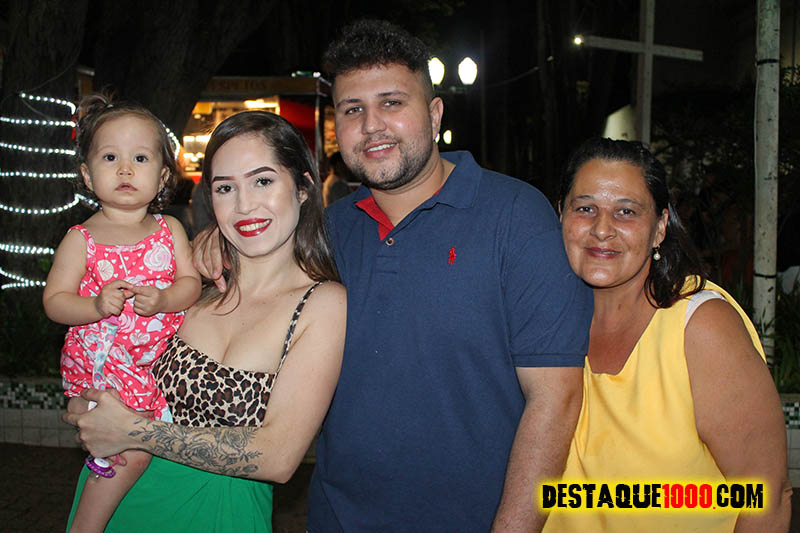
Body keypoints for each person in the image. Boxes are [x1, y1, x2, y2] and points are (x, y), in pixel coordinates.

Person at [188, 20, 592, 530]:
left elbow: (556, 400)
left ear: (435, 113)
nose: (371, 125)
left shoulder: (514, 216)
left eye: (392, 103)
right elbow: (252, 272)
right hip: (337, 519)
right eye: (352, 109)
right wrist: (216, 241)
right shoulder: (324, 233)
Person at [62, 110, 346, 532]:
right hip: (121, 505)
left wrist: (134, 431)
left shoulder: (321, 304)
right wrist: (89, 407)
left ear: (303, 187)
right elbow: (102, 351)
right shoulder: (191, 282)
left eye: (263, 181)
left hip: (219, 516)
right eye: (225, 188)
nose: (244, 205)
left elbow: (278, 457)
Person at [543, 137, 791, 531]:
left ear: (660, 228)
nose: (602, 229)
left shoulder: (700, 326)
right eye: (585, 208)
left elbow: (768, 499)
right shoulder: (541, 321)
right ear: (561, 215)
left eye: (626, 212)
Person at [43, 94, 202, 532]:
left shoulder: (170, 229)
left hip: (158, 363)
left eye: (140, 158)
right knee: (132, 451)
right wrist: (94, 306)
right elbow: (54, 301)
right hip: (107, 362)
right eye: (110, 157)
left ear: (163, 176)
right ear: (87, 175)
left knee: (149, 448)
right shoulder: (81, 238)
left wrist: (165, 299)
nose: (126, 170)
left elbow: (190, 284)